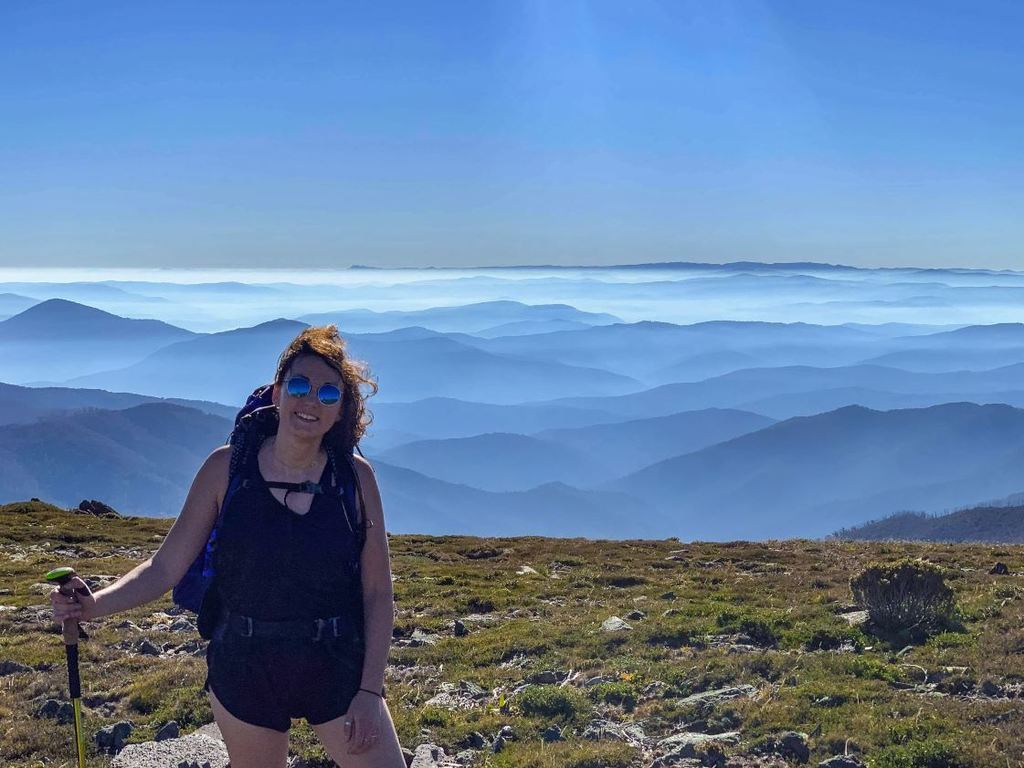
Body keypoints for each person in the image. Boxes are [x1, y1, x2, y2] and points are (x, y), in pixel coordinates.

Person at [49, 325, 406, 768]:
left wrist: (370, 692)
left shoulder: (355, 478)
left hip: (335, 660)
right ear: (277, 392)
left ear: (341, 410)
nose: (310, 400)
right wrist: (91, 606)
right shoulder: (225, 469)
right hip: (245, 663)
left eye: (328, 393)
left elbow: (377, 591)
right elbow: (164, 569)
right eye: (299, 385)